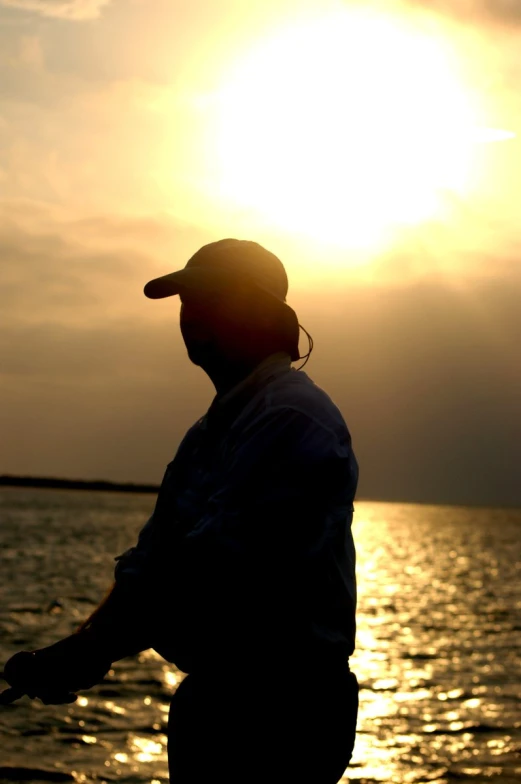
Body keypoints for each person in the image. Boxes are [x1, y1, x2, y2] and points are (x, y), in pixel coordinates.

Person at [2, 239, 360, 783]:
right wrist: (80, 649)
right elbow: (153, 561)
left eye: (207, 300)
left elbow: (211, 565)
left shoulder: (292, 417)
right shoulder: (213, 429)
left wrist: (83, 654)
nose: (190, 317)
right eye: (186, 303)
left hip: (282, 714)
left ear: (257, 312)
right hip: (219, 701)